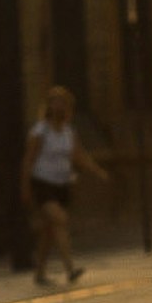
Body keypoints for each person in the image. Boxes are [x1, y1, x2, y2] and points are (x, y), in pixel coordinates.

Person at [20, 83, 107, 286]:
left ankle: (39, 273)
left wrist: (97, 171)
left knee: (49, 232)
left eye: (63, 103)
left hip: (62, 185)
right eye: (54, 103)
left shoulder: (69, 131)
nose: (58, 107)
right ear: (48, 106)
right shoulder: (40, 131)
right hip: (42, 183)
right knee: (59, 220)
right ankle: (70, 269)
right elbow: (28, 160)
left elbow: (79, 155)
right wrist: (24, 188)